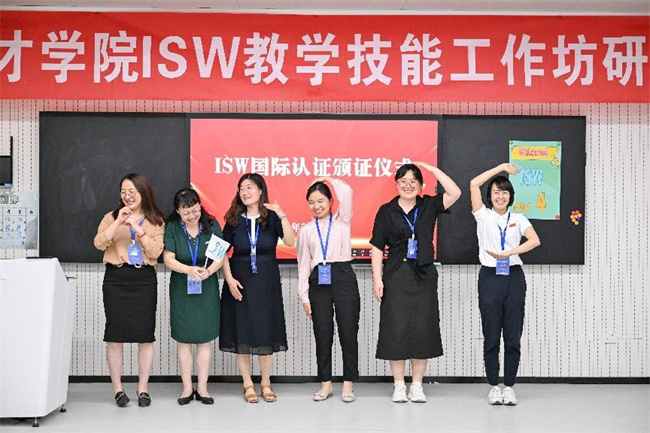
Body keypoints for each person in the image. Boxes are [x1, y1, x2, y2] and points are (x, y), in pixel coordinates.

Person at [370, 162, 461, 403]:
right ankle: (399, 384)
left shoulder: (429, 205)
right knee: (396, 329)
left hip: (423, 275)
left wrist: (432, 169)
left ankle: (417, 385)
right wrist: (377, 279)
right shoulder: (386, 211)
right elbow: (377, 247)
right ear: (396, 184)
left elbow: (455, 192)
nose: (408, 185)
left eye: (413, 181)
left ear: (421, 185)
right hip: (395, 274)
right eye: (403, 181)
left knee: (423, 328)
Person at [219, 173, 295, 403]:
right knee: (241, 331)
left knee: (265, 331)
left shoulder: (271, 218)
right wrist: (229, 279)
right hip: (239, 282)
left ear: (261, 190)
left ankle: (265, 383)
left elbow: (290, 241)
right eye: (241, 188)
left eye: (250, 187)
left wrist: (282, 214)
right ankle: (247, 384)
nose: (245, 192)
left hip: (266, 282)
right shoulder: (233, 219)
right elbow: (221, 252)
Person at [470, 163, 540, 406]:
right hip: (489, 277)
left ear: (511, 196)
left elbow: (534, 240)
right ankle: (493, 386)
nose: (500, 196)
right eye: (496, 192)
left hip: (513, 278)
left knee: (512, 336)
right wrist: (500, 167)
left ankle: (509, 386)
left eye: (505, 192)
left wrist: (509, 253)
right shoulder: (483, 215)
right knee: (491, 335)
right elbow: (474, 183)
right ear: (490, 196)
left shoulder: (518, 218)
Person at [93, 173, 165, 408]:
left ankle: (143, 389)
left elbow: (155, 252)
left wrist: (137, 227)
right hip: (116, 279)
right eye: (124, 192)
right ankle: (118, 389)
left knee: (145, 337)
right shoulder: (110, 217)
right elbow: (99, 243)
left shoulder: (155, 221)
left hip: (144, 279)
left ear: (143, 192)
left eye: (132, 192)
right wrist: (118, 222)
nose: (128, 196)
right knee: (115, 337)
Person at [297, 177, 359, 403]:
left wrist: (327, 179)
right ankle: (326, 384)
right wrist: (304, 297)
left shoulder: (342, 220)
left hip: (343, 276)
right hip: (318, 281)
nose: (316, 206)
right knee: (322, 334)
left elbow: (347, 191)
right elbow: (303, 265)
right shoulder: (306, 230)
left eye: (321, 201)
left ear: (331, 201)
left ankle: (348, 384)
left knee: (348, 332)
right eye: (311, 202)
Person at [162, 188, 226, 406]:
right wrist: (188, 269)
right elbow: (168, 258)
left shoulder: (212, 225)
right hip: (182, 288)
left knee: (204, 340)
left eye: (195, 210)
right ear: (178, 212)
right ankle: (187, 388)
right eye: (186, 212)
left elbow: (220, 256)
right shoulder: (173, 228)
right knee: (183, 340)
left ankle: (203, 387)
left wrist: (210, 271)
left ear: (200, 206)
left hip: (206, 288)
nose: (192, 216)